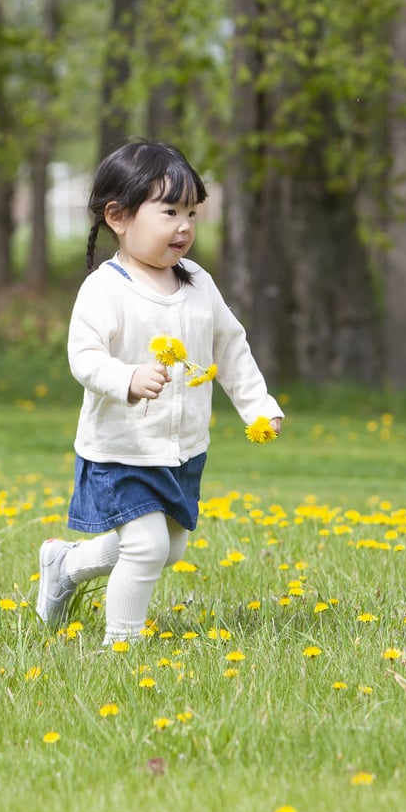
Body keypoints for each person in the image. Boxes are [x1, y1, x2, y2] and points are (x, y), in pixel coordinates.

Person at [33, 140, 284, 647]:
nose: (185, 225)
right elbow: (83, 356)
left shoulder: (197, 285)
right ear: (118, 216)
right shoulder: (106, 288)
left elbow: (231, 348)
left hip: (180, 449)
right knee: (145, 546)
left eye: (192, 212)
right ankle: (121, 646)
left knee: (170, 547)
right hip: (122, 448)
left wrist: (258, 407)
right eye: (169, 211)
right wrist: (126, 378)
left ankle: (66, 565)